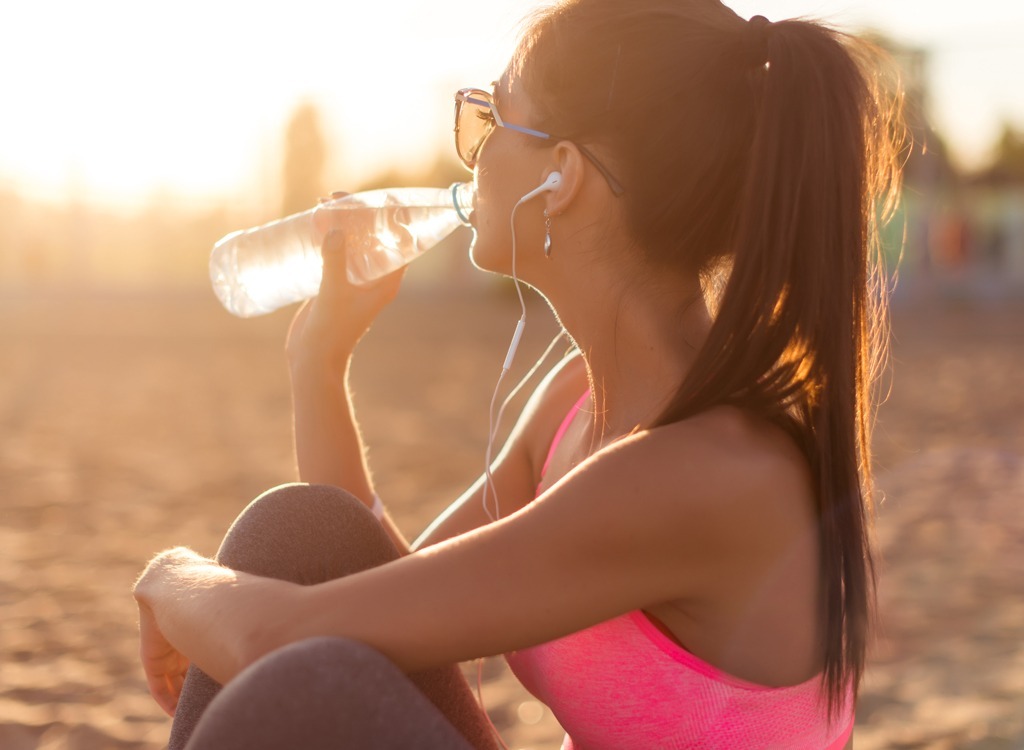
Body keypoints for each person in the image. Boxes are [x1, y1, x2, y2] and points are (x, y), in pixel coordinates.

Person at [133, 0, 903, 747]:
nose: (472, 147)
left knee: (304, 681)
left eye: (492, 116)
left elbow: (285, 642)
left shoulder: (707, 472)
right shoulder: (578, 396)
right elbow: (376, 598)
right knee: (299, 530)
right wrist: (319, 357)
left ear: (559, 175)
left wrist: (169, 579)